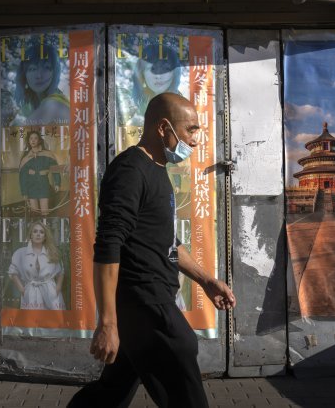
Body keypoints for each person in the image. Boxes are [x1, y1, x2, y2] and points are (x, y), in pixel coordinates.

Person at [68, 93, 236, 408]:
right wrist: (108, 322)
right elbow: (108, 244)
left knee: (110, 393)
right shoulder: (130, 170)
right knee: (185, 375)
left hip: (148, 303)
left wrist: (206, 280)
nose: (195, 139)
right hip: (146, 304)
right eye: (190, 129)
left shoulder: (157, 170)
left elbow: (167, 244)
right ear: (163, 127)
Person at [8, 221, 65, 310]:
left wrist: (57, 289)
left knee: (52, 322)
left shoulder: (52, 252)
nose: (38, 234)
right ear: (31, 235)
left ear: (45, 237)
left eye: (41, 232)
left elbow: (61, 272)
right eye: (35, 231)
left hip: (50, 293)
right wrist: (22, 290)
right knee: (31, 321)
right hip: (30, 293)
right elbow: (12, 272)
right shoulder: (20, 253)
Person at [122, 44, 183, 127]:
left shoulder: (183, 105)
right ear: (142, 72)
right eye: (152, 69)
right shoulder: (129, 103)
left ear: (175, 73)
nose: (158, 76)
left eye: (165, 68)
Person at [11, 41, 69, 126]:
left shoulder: (54, 103)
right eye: (32, 69)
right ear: (24, 74)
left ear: (54, 73)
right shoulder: (27, 103)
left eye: (46, 67)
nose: (39, 75)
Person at [18, 130, 61, 216]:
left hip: (43, 186)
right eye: (31, 139)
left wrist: (57, 183)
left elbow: (55, 169)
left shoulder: (48, 154)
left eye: (35, 138)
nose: (33, 140)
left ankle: (45, 227)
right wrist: (24, 192)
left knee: (45, 212)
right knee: (35, 213)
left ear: (39, 140)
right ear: (28, 141)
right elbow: (22, 177)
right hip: (31, 187)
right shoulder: (26, 157)